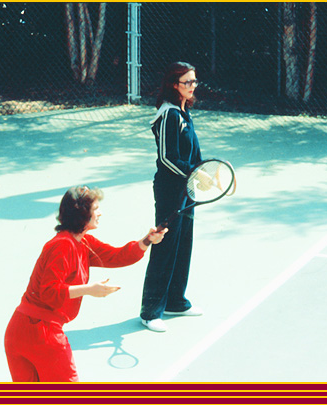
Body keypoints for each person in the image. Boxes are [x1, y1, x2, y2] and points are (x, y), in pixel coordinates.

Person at [4, 186, 167, 382]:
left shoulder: (83, 242)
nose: (100, 213)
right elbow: (49, 292)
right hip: (43, 334)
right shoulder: (63, 245)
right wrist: (90, 290)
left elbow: (117, 256)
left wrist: (147, 240)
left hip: (19, 331)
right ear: (82, 214)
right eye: (96, 208)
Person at [140, 61, 204, 333]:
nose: (192, 86)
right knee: (165, 247)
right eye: (187, 82)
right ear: (173, 85)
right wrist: (192, 172)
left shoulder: (183, 112)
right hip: (170, 190)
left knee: (183, 245)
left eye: (194, 81)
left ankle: (175, 301)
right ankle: (150, 310)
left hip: (187, 189)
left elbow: (193, 153)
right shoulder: (168, 115)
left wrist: (202, 172)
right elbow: (167, 157)